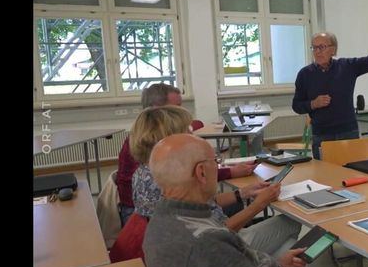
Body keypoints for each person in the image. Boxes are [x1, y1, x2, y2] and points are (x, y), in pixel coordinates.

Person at [144, 134, 368, 267]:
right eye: (215, 161)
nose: (218, 167)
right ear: (201, 173)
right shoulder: (206, 243)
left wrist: (276, 264)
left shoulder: (163, 220)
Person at [128, 106, 300, 257]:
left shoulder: (147, 172)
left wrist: (242, 193)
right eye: (188, 133)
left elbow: (201, 205)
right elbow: (220, 233)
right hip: (219, 246)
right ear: (172, 139)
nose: (193, 137)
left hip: (198, 246)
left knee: (288, 247)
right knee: (290, 223)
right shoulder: (168, 180)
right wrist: (259, 204)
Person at [116, 83, 256, 226]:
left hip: (155, 219)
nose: (181, 110)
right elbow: (192, 178)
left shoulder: (149, 142)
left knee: (234, 204)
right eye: (177, 107)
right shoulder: (154, 149)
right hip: (138, 216)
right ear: (158, 110)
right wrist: (231, 174)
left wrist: (240, 192)